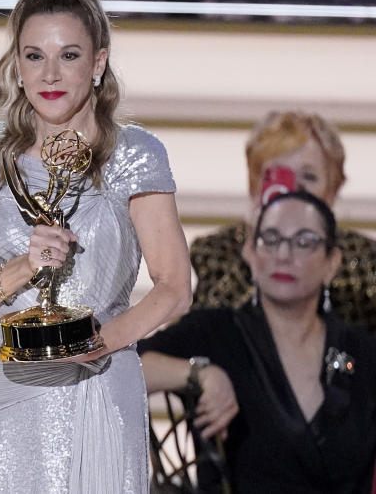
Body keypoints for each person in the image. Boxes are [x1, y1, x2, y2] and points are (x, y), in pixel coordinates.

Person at [0, 0, 192, 493]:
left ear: (98, 62)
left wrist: (101, 343)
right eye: (35, 57)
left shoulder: (135, 156)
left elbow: (174, 287)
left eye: (69, 56)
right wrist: (22, 266)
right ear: (17, 63)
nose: (49, 75)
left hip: (99, 387)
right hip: (4, 392)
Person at [139, 190, 376, 493]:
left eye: (304, 242)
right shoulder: (215, 330)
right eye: (271, 239)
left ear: (332, 262)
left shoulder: (363, 352)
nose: (284, 254)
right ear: (250, 252)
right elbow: (128, 368)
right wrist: (200, 374)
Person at [191, 110, 376, 334]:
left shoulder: (364, 257)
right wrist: (259, 243)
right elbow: (206, 329)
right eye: (280, 177)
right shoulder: (218, 250)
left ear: (332, 190)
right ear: (254, 185)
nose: (294, 190)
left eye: (308, 177)